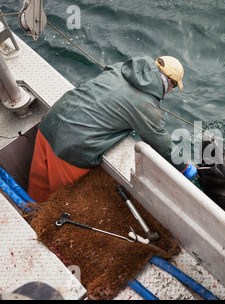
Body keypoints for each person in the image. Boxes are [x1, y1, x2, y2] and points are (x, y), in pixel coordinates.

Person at [27, 55, 197, 203]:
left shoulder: (119, 68)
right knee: (59, 200)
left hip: (51, 121)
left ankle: (27, 211)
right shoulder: (146, 106)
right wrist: (185, 167)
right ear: (171, 85)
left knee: (37, 189)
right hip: (71, 149)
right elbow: (162, 143)